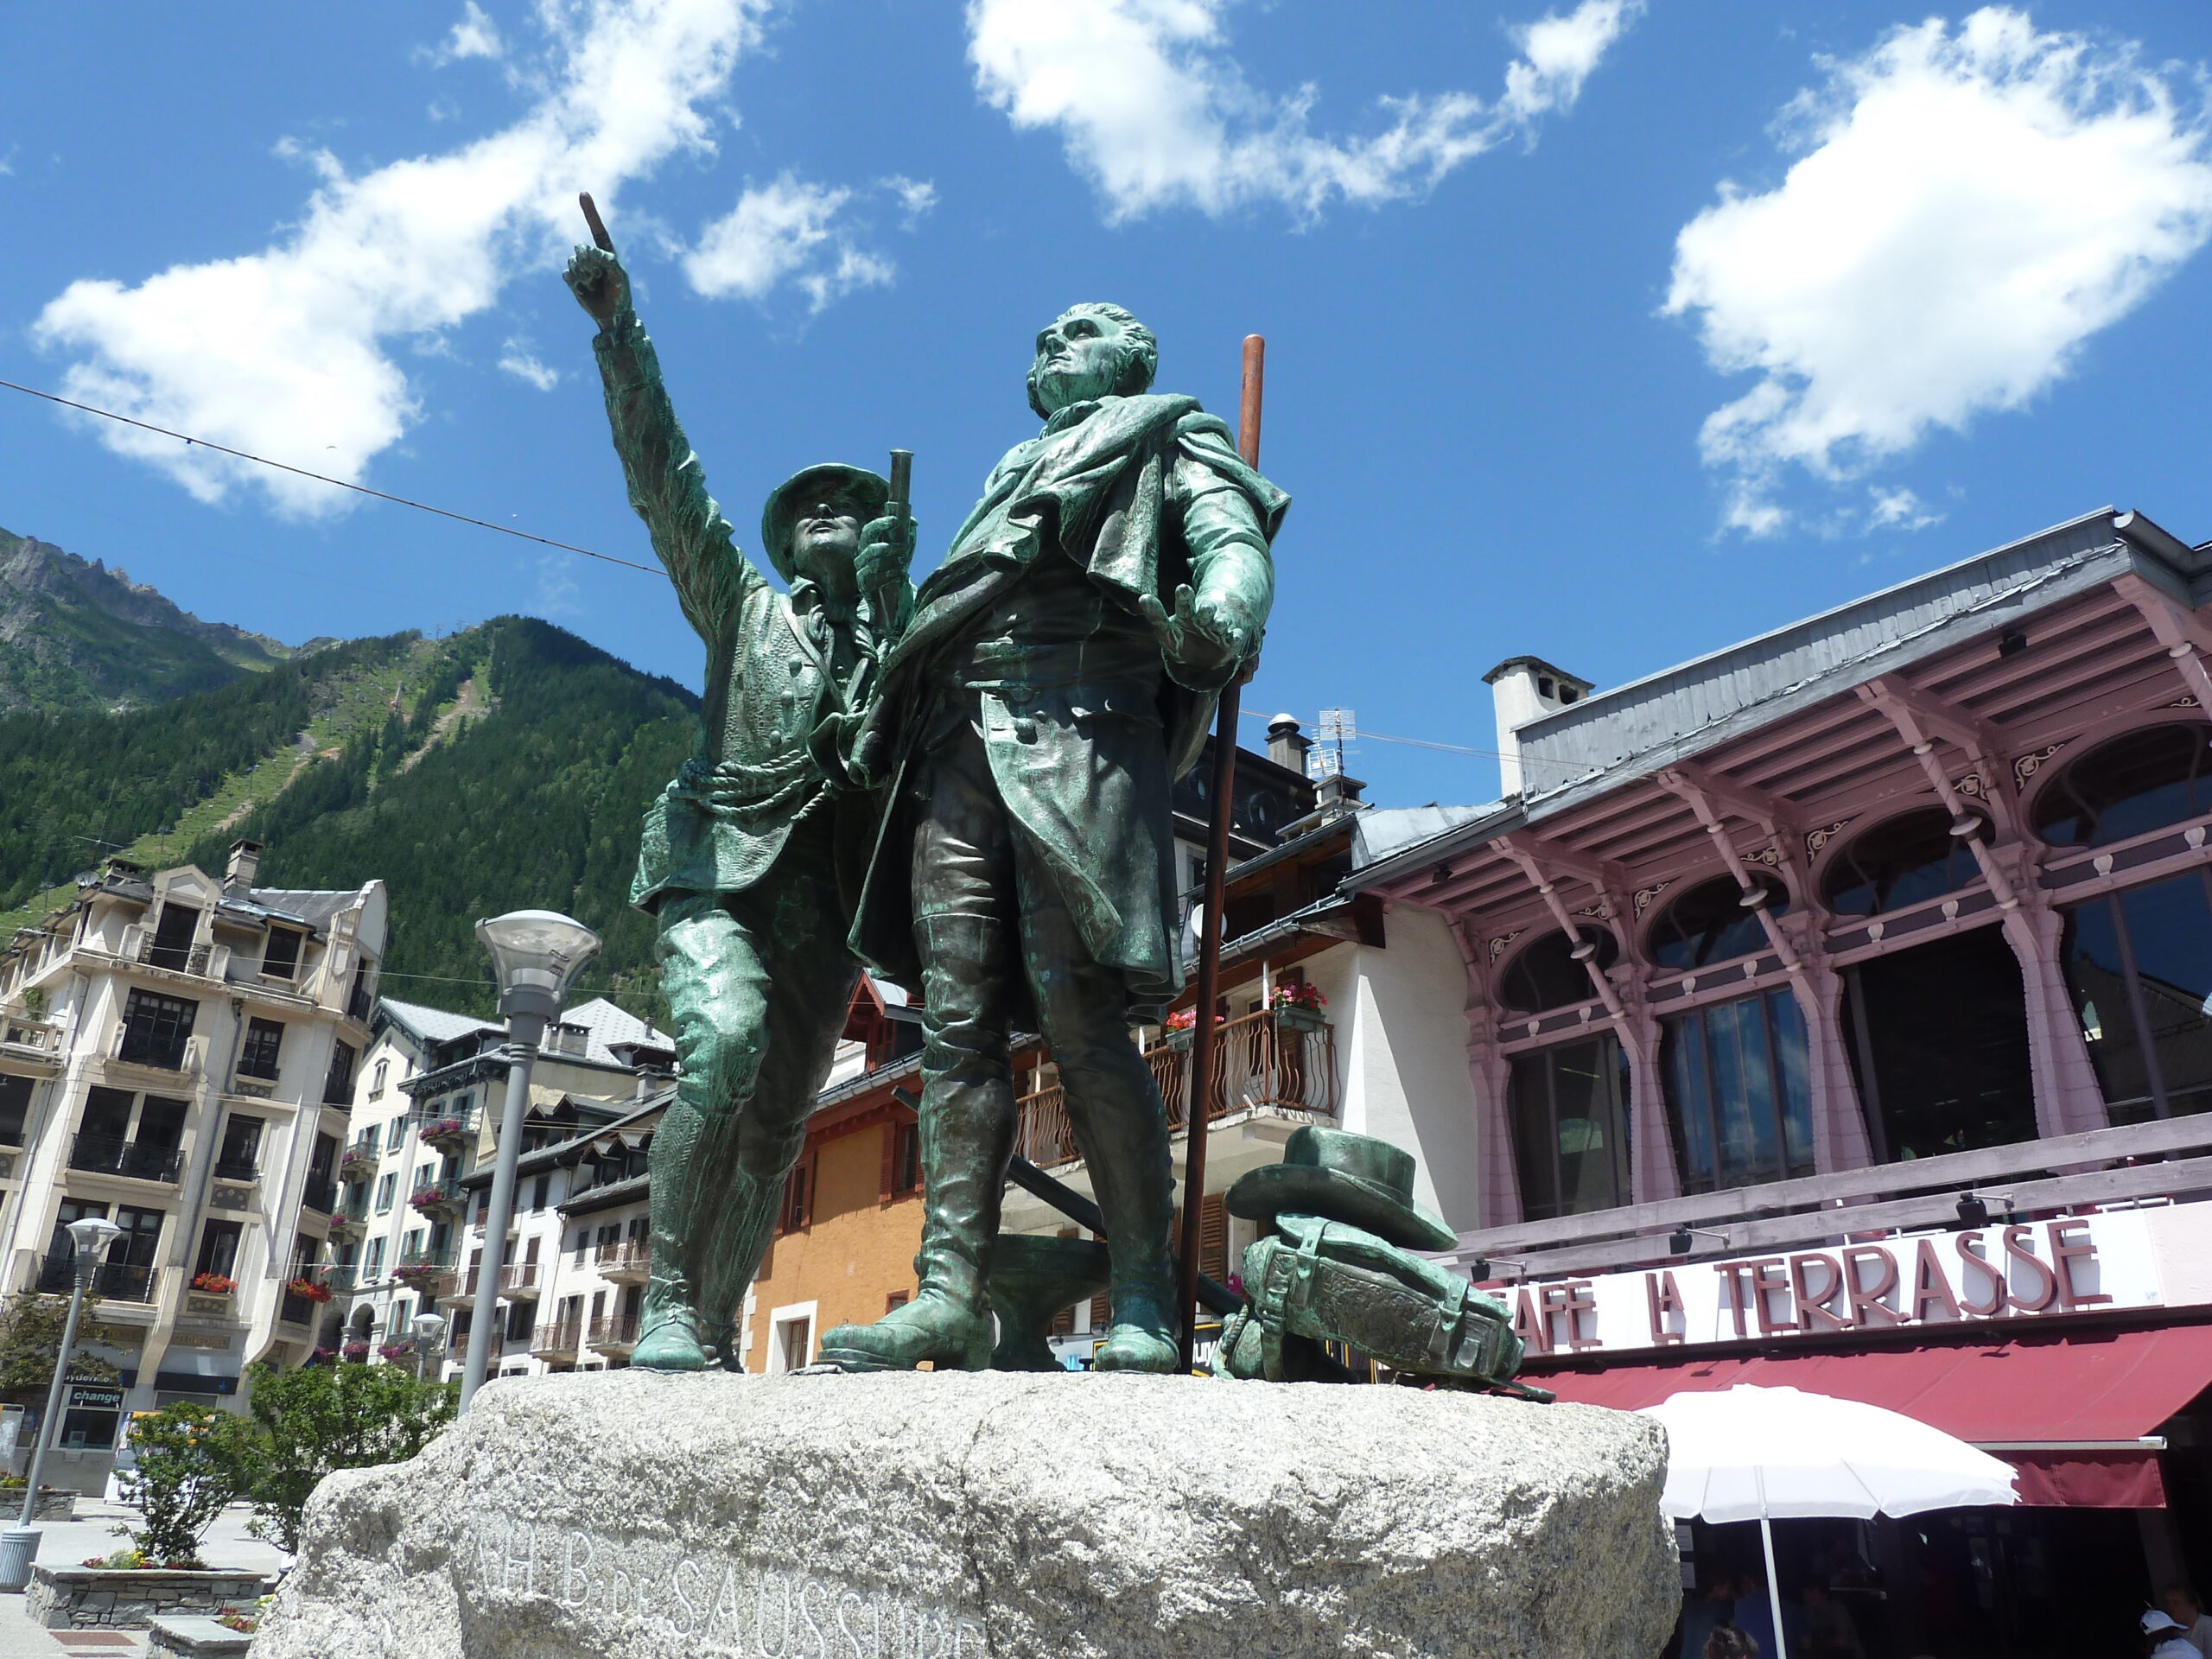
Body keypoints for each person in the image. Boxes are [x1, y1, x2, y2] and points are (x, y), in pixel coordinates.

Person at [819, 302, 1286, 1373]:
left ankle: (1139, 1298)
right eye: (1040, 340)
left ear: (1134, 355)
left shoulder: (1169, 431)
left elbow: (1228, 540)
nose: (1047, 349)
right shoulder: (1009, 468)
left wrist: (1224, 611)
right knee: (955, 1026)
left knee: (1079, 1018)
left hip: (1080, 730)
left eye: (1075, 333)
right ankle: (946, 1294)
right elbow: (960, 605)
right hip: (956, 746)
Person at [564, 242, 914, 1370]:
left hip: (830, 901)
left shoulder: (907, 643)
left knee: (775, 1131)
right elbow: (664, 478)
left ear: (878, 541)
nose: (827, 516)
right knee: (720, 1047)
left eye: (849, 510)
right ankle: (666, 1300)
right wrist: (621, 331)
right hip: (715, 863)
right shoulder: (743, 608)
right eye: (808, 510)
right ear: (785, 546)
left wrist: (901, 622)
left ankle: (712, 1330)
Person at [1678, 1573, 1738, 1659]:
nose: (1731, 1592)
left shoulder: (1692, 1608)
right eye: (1728, 1589)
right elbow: (1741, 1615)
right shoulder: (1719, 1607)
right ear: (1717, 1588)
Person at [2164, 1586, 2212, 1659]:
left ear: (2193, 1605)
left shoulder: (2208, 1625)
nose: (2170, 1607)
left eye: (2176, 1603)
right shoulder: (2171, 1633)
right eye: (2168, 1603)